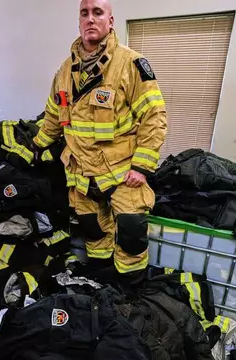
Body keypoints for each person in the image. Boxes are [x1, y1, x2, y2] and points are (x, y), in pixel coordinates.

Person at [32, 0, 167, 280]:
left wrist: (141, 167)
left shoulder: (130, 64)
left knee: (131, 234)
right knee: (93, 232)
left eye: (97, 13)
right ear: (79, 21)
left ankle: (131, 288)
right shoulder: (64, 71)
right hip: (82, 174)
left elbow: (154, 116)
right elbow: (54, 117)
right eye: (85, 13)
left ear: (110, 21)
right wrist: (36, 145)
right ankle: (101, 282)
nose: (90, 19)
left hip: (122, 172)